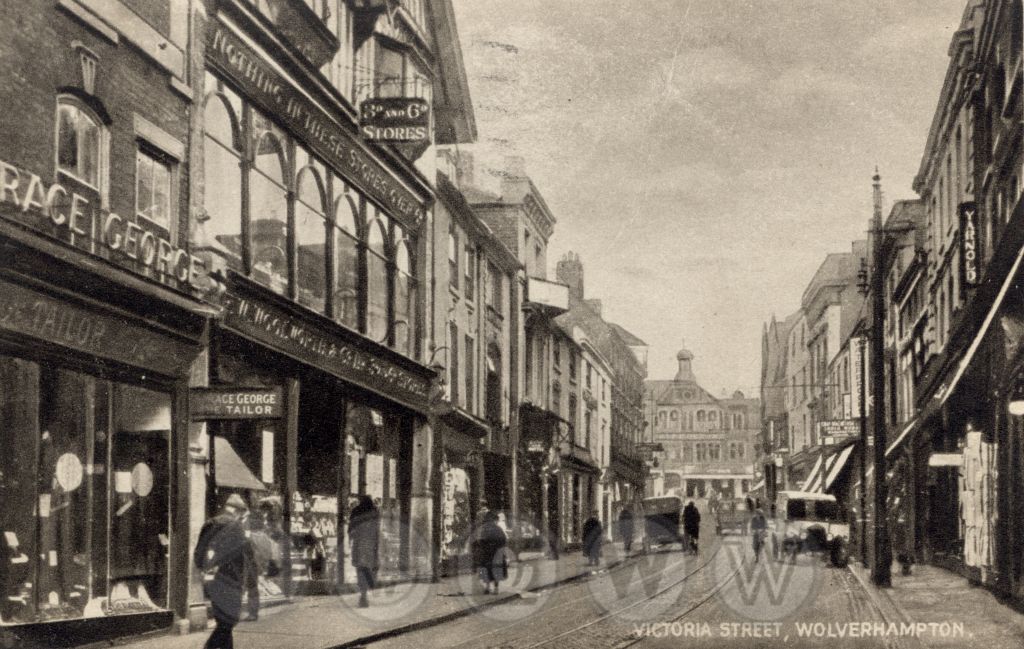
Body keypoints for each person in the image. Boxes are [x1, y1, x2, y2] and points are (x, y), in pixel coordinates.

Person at [194, 494, 252, 649]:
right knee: (228, 622)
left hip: (212, 581)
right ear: (237, 511)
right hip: (231, 581)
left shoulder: (210, 524)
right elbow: (242, 559)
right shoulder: (237, 528)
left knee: (224, 622)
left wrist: (204, 569)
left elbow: (198, 554)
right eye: (241, 513)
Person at [349, 496, 380, 608]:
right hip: (371, 546)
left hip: (358, 545)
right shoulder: (375, 511)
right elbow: (377, 530)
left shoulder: (356, 511)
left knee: (360, 570)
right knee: (369, 569)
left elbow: (350, 530)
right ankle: (366, 593)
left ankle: (363, 595)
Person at [474, 511, 509, 593]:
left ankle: (487, 587)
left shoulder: (485, 529)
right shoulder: (499, 529)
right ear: (495, 520)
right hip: (497, 553)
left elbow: (480, 541)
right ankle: (496, 589)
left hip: (487, 553)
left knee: (487, 570)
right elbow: (503, 540)